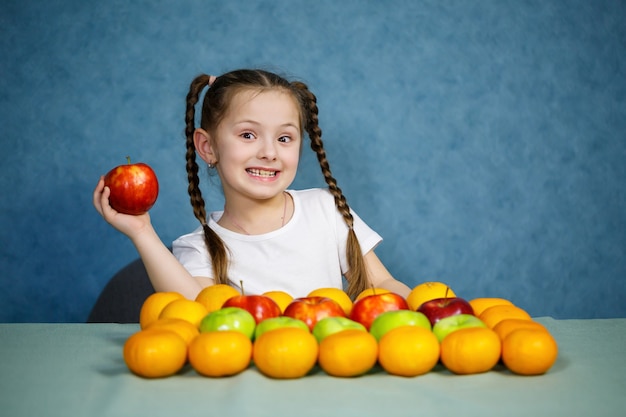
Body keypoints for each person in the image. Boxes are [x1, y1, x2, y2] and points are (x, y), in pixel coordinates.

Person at [93, 69, 410, 301]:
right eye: (248, 135)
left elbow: (381, 283)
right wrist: (141, 231)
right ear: (208, 147)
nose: (269, 152)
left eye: (284, 138)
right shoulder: (201, 247)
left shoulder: (325, 209)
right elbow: (195, 312)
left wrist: (426, 311)